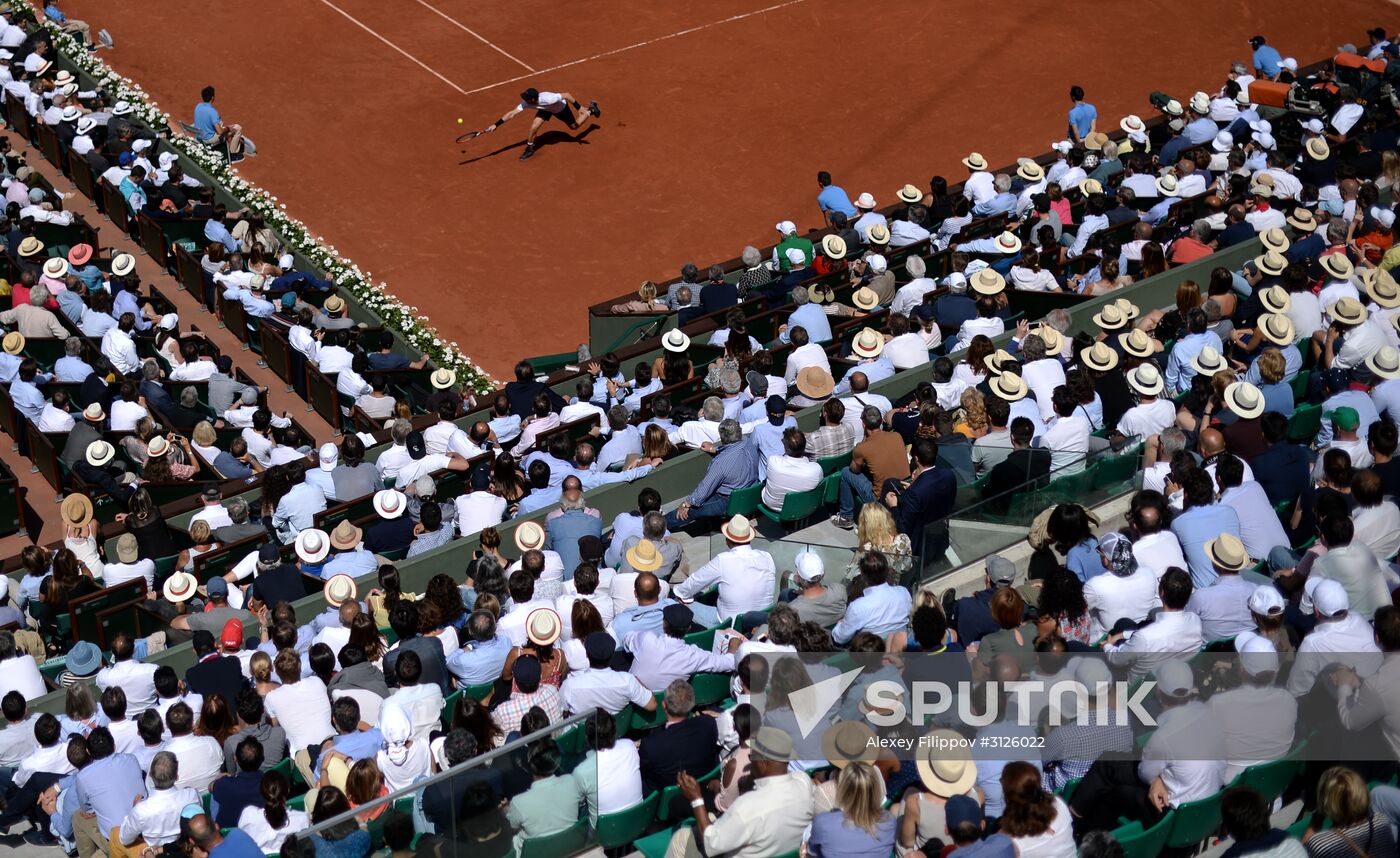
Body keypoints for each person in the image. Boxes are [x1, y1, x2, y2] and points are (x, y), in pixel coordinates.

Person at [482, 87, 601, 161]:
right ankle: (530, 148)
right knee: (534, 127)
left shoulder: (549, 98)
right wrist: (496, 125)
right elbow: (512, 113)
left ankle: (590, 110)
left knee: (574, 127)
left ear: (533, 100)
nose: (524, 99)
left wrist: (579, 107)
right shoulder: (527, 102)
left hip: (560, 109)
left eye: (527, 98)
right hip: (545, 110)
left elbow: (566, 94)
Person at [808, 761, 897, 858]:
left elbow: (813, 851)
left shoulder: (823, 822)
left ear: (843, 791)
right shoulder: (890, 820)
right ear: (875, 790)